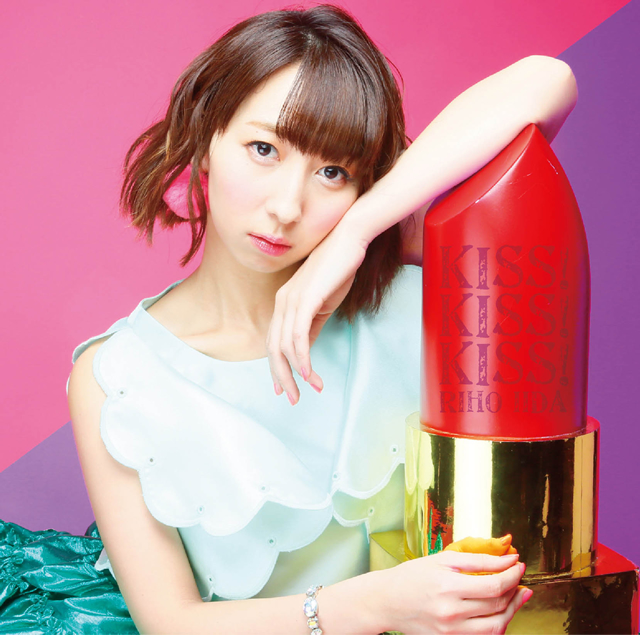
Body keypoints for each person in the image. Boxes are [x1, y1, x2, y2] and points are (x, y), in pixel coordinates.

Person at [2, 5, 578, 634]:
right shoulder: (117, 378)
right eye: (263, 149)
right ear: (204, 137)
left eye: (333, 172)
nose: (286, 206)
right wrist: (377, 605)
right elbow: (171, 623)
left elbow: (547, 80)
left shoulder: (416, 298)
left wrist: (355, 233)